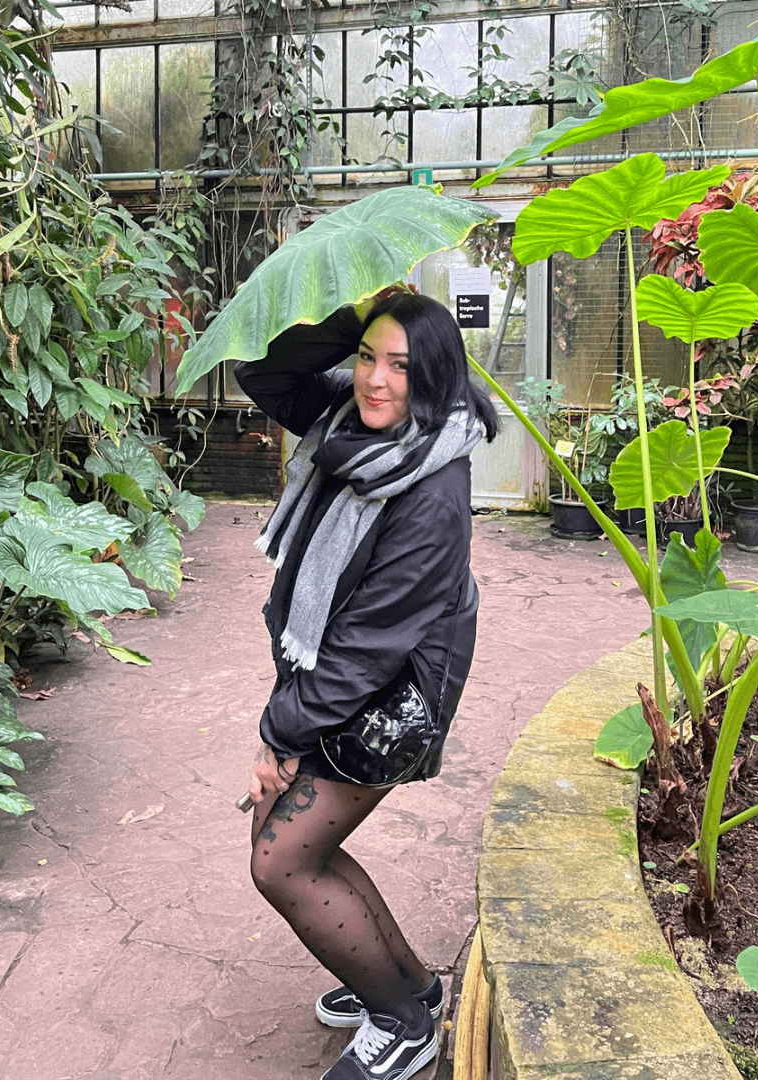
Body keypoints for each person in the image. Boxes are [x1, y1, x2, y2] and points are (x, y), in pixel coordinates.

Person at [236, 290, 496, 1080]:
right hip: (345, 685)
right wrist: (355, 324)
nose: (376, 381)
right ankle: (408, 987)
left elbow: (365, 651)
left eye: (402, 367)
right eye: (366, 359)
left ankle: (401, 1021)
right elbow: (263, 373)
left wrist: (279, 734)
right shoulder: (349, 425)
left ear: (438, 379)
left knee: (281, 860)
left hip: (389, 703)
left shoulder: (431, 491)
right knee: (292, 848)